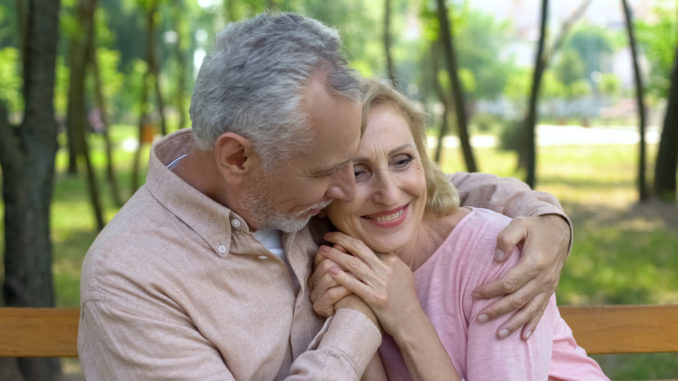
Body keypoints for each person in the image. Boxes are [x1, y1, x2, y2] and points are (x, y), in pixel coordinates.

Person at [79, 12, 570, 380]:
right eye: (332, 172)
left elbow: (421, 188)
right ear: (237, 160)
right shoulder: (131, 281)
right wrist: (358, 317)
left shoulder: (291, 191)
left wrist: (544, 216)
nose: (347, 192)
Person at [309, 78, 608, 380]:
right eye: (358, 172)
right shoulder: (336, 266)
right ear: (321, 192)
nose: (388, 193)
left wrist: (406, 316)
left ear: (424, 166)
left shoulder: (497, 253)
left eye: (401, 161)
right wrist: (354, 312)